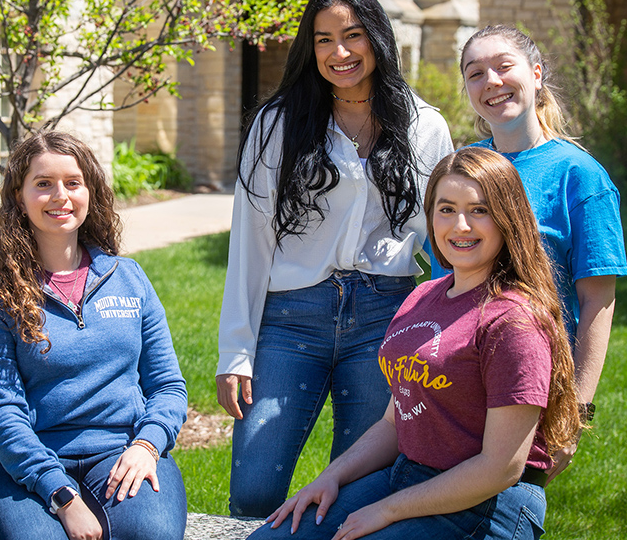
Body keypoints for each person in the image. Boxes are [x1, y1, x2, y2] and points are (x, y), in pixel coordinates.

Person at [249, 146, 581, 540]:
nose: (460, 225)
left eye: (479, 210)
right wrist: (330, 478)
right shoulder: (423, 297)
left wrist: (387, 511)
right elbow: (395, 421)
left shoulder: (513, 320)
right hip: (408, 475)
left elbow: (501, 467)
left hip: (489, 503)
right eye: (446, 209)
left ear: (508, 218)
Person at [216, 0, 454, 517]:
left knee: (356, 494)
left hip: (384, 316)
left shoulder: (425, 127)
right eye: (323, 39)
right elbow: (250, 241)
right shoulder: (277, 124)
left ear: (377, 36)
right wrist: (236, 351)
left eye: (352, 35)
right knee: (253, 492)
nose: (339, 52)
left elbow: (440, 239)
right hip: (291, 317)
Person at [0, 131, 188, 540]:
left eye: (72, 182)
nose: (59, 196)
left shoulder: (128, 278)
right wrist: (63, 496)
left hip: (121, 452)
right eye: (43, 183)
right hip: (18, 468)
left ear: (91, 192)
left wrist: (147, 445)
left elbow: (168, 386)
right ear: (19, 196)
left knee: (151, 535)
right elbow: (1, 412)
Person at [456, 24, 627, 480]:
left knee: (505, 510)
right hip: (455, 378)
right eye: (475, 73)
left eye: (503, 66)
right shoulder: (463, 168)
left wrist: (578, 408)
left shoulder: (581, 176)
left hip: (532, 383)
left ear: (536, 74)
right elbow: (442, 282)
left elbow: (598, 300)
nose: (490, 81)